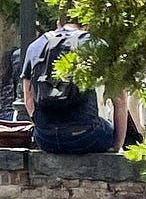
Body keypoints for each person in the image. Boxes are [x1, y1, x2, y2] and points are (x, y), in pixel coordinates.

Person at [21, 18, 126, 155]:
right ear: (86, 24)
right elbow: (120, 100)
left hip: (46, 140)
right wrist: (116, 145)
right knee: (106, 127)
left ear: (59, 23)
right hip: (86, 136)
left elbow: (28, 99)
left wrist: (43, 130)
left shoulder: (35, 46)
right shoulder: (97, 44)